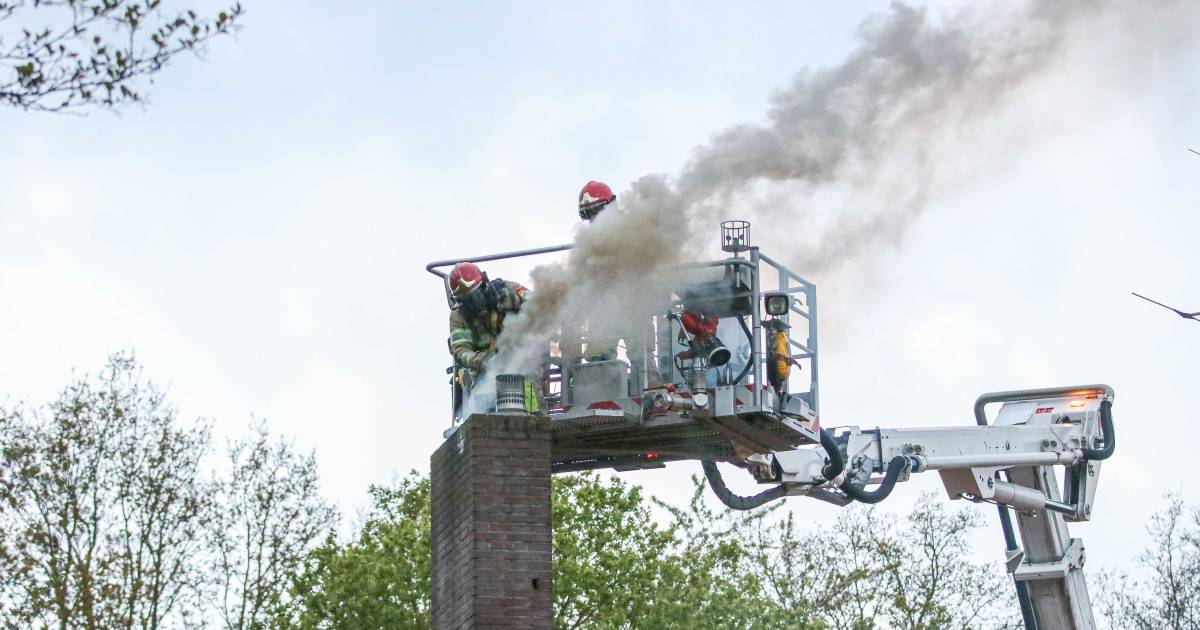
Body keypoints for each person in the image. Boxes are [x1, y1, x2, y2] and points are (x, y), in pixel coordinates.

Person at [447, 261, 528, 377]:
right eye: (467, 300)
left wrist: (514, 300)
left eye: (477, 295)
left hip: (526, 359)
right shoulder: (458, 314)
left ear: (485, 284)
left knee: (529, 387)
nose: (475, 303)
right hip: (485, 376)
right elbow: (461, 351)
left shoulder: (507, 288)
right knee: (485, 393)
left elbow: (539, 301)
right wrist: (485, 361)